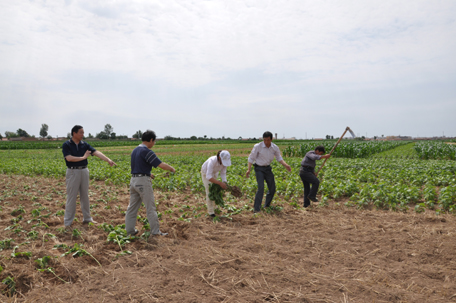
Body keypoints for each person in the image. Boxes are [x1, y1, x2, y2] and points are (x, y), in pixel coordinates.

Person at [62, 125, 116, 227]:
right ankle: (68, 222)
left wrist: (108, 159)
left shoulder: (84, 144)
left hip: (84, 171)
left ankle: (87, 218)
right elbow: (69, 158)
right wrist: (83, 157)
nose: (83, 134)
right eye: (81, 132)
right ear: (74, 133)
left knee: (85, 196)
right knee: (71, 197)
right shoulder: (67, 144)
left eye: (83, 132)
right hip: (73, 172)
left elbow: (96, 152)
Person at [125, 130, 175, 236]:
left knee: (132, 208)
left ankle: (130, 231)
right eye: (154, 141)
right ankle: (155, 232)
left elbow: (138, 166)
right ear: (151, 140)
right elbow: (160, 164)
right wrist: (171, 169)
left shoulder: (135, 150)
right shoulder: (147, 151)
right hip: (142, 182)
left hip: (133, 181)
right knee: (150, 207)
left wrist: (148, 174)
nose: (154, 144)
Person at [246, 131, 291, 213]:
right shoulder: (258, 146)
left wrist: (286, 165)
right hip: (259, 168)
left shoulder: (275, 147)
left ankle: (266, 205)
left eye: (268, 140)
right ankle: (256, 209)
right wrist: (249, 169)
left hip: (268, 169)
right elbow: (251, 158)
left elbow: (279, 158)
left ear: (271, 139)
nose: (266, 142)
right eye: (264, 140)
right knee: (261, 188)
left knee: (272, 188)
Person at [201, 150, 232, 217]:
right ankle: (211, 212)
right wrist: (219, 183)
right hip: (206, 173)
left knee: (216, 190)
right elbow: (208, 176)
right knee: (209, 191)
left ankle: (216, 207)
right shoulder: (212, 161)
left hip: (215, 172)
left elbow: (223, 173)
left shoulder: (224, 163)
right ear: (220, 158)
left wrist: (225, 183)